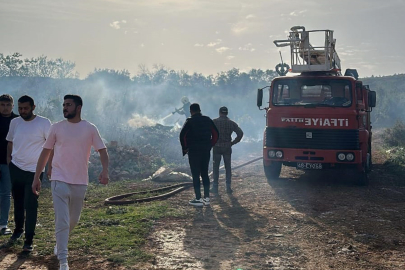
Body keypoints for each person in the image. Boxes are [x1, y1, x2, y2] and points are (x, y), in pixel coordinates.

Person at [32, 94, 109, 270]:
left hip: (80, 181)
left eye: (68, 105)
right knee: (62, 220)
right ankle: (63, 261)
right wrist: (37, 176)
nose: (65, 107)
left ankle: (59, 245)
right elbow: (45, 152)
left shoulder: (89, 128)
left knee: (73, 220)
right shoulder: (56, 127)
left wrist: (105, 171)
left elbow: (103, 151)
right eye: (64, 105)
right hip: (59, 178)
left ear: (78, 107)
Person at [6, 95, 51, 251]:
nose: (22, 111)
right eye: (20, 108)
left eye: (25, 108)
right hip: (16, 168)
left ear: (33, 107)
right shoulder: (15, 122)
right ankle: (18, 231)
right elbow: (10, 141)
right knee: (18, 202)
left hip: (35, 171)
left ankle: (29, 240)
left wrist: (48, 167)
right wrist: (9, 160)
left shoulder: (44, 123)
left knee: (31, 204)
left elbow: (50, 147)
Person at [179, 103, 218, 206]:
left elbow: (182, 135)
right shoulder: (208, 120)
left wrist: (185, 148)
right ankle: (207, 198)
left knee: (196, 174)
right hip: (205, 150)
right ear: (200, 110)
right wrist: (210, 145)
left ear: (191, 111)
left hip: (194, 151)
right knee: (205, 173)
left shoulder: (189, 121)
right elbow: (216, 134)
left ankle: (198, 199)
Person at [212, 106, 243, 194]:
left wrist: (211, 141)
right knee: (228, 167)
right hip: (227, 147)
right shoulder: (231, 123)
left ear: (219, 113)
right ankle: (228, 187)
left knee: (216, 167)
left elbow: (207, 132)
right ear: (227, 113)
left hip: (217, 147)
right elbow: (240, 133)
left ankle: (215, 187)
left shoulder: (214, 122)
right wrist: (233, 142)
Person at [0, 94, 18, 236]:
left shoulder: (18, 121)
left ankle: (3, 224)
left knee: (6, 194)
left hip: (10, 163)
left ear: (12, 106)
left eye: (8, 105)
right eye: (2, 105)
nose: (5, 108)